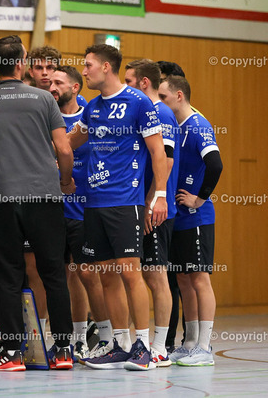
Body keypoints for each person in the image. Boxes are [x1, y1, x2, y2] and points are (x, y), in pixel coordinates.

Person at [0, 35, 75, 371]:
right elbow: (64, 149)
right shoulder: (44, 99)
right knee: (54, 273)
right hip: (44, 197)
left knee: (8, 276)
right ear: (21, 64)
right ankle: (63, 351)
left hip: (1, 199)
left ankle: (13, 353)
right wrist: (65, 181)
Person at [68, 44, 168, 371]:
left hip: (125, 201)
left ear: (106, 67)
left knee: (129, 272)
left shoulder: (138, 102)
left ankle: (144, 347)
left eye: (88, 65)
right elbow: (70, 142)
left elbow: (158, 153)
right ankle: (121, 344)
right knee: (108, 275)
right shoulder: (93, 107)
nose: (85, 71)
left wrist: (160, 195)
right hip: (93, 203)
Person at [50, 66, 113, 363]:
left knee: (87, 273)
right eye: (50, 82)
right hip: (51, 210)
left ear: (75, 88)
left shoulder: (90, 116)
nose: (52, 86)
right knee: (57, 275)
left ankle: (105, 337)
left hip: (83, 209)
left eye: (58, 82)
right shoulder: (46, 116)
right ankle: (66, 341)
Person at [158, 75, 223, 367]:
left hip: (197, 217)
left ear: (179, 96)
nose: (160, 102)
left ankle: (205, 347)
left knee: (199, 278)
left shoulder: (198, 125)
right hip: (179, 218)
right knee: (183, 278)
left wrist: (200, 198)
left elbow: (215, 164)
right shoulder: (175, 126)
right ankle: (190, 343)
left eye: (163, 97)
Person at [125, 59, 181, 368]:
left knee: (157, 276)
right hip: (137, 205)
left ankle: (160, 347)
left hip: (156, 209)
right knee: (141, 274)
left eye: (129, 81)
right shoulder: (143, 111)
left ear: (144, 83)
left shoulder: (161, 112)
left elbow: (167, 161)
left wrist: (152, 202)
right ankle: (135, 343)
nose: (125, 87)